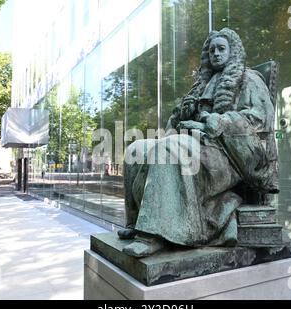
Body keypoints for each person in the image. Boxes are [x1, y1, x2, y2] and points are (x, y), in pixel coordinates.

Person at [118, 28, 278, 258]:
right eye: (212, 49)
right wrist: (183, 114)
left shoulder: (249, 79)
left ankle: (154, 234)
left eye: (221, 48)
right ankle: (136, 223)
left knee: (168, 149)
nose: (216, 53)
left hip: (227, 154)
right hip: (195, 143)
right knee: (137, 149)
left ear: (233, 52)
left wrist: (217, 121)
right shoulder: (202, 85)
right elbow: (174, 123)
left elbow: (260, 121)